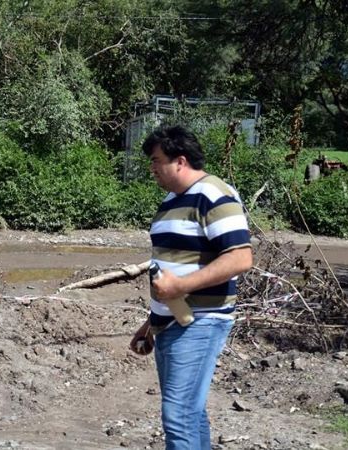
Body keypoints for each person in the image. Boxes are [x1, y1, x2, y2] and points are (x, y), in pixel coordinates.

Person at [129, 126, 253, 450]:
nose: (151, 168)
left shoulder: (215, 194)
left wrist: (180, 286)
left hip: (201, 321)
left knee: (178, 416)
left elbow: (240, 257)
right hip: (171, 323)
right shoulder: (170, 202)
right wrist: (151, 323)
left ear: (180, 161)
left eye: (156, 160)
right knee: (190, 413)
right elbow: (167, 269)